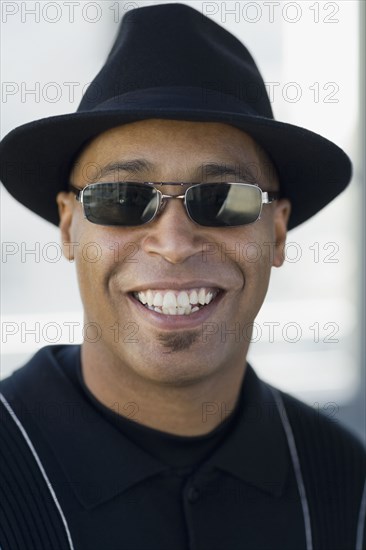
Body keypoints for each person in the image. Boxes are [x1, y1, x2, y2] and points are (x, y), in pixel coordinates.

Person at [0, 4, 365, 550]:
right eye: (122, 198)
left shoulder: (345, 482)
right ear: (70, 226)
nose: (173, 245)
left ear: (279, 233)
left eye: (224, 199)